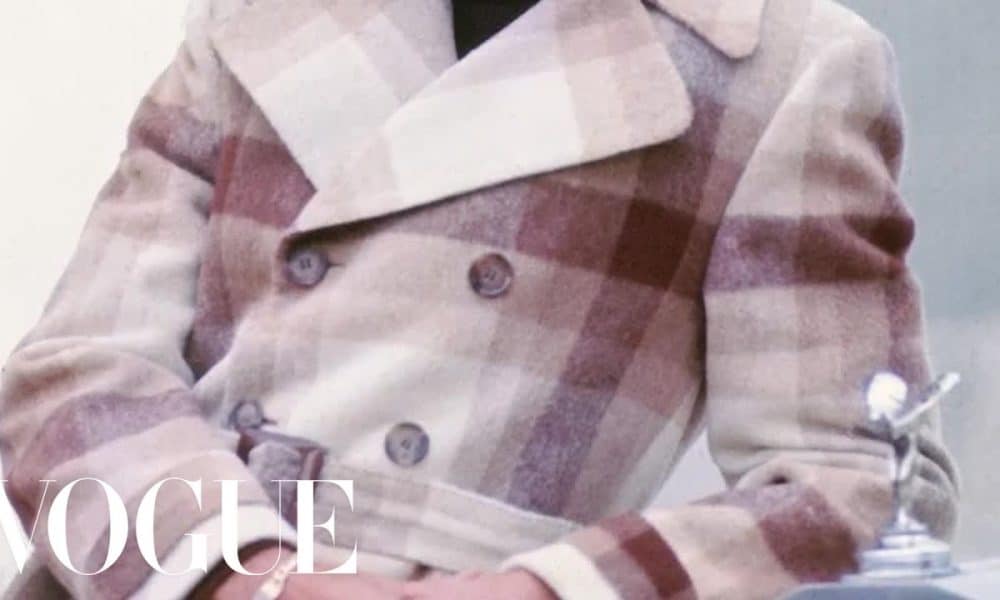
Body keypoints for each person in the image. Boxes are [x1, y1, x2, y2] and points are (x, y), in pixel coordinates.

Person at [0, 0, 959, 598]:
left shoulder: (779, 63)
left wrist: (546, 590)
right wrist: (243, 572)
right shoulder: (255, 19)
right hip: (170, 572)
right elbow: (71, 379)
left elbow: (858, 486)